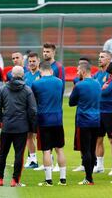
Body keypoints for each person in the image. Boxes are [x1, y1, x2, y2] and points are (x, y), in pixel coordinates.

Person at [0, 66, 37, 187]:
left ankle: (0, 179)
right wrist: (31, 125)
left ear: (12, 75)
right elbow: (33, 110)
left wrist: (3, 120)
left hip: (7, 126)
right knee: (19, 154)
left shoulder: (3, 89)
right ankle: (15, 180)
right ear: (23, 75)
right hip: (21, 127)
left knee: (2, 153)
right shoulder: (27, 90)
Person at [32, 61, 67, 187]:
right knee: (60, 149)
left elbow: (34, 101)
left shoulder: (36, 83)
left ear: (40, 71)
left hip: (43, 119)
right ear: (51, 71)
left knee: (46, 150)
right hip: (57, 119)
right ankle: (63, 179)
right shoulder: (59, 82)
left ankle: (48, 180)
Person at [34, 43, 65, 172]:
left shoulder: (58, 67)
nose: (45, 53)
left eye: (48, 51)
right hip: (46, 109)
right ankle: (49, 162)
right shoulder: (41, 66)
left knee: (51, 139)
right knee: (45, 140)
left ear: (53, 53)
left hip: (53, 108)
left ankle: (56, 164)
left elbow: (61, 88)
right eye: (44, 51)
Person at [69, 61, 101, 185]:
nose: (77, 73)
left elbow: (71, 102)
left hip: (84, 121)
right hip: (96, 120)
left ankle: (88, 178)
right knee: (92, 149)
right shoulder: (98, 84)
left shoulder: (79, 85)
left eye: (78, 71)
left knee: (86, 150)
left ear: (83, 71)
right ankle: (90, 176)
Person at [92, 51, 112, 175]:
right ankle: (100, 165)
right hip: (98, 111)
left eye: (102, 57)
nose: (99, 59)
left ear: (109, 59)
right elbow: (94, 90)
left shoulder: (111, 75)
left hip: (110, 111)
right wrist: (98, 89)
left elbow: (107, 91)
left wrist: (98, 90)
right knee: (98, 139)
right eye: (99, 56)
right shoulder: (97, 74)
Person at [23, 52, 41, 169]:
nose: (32, 63)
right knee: (29, 135)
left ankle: (49, 157)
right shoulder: (26, 75)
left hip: (40, 110)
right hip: (28, 111)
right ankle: (32, 159)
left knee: (40, 135)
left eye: (34, 61)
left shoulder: (42, 75)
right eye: (30, 61)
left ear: (38, 61)